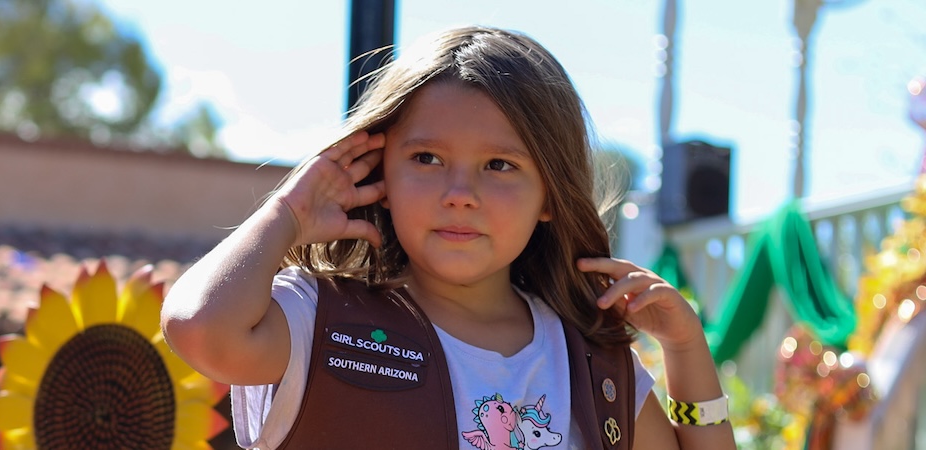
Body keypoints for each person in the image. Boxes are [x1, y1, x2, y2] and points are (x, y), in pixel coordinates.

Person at [160, 26, 737, 449]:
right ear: (380, 172)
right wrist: (287, 211)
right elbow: (198, 328)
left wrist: (687, 353)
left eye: (499, 166)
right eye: (428, 158)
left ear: (549, 199)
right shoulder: (316, 318)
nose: (460, 192)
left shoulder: (592, 366)